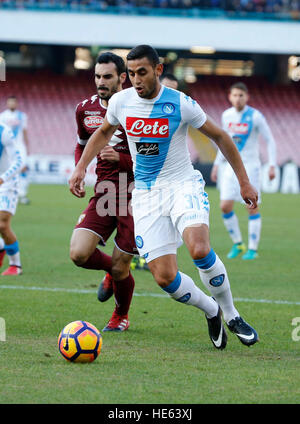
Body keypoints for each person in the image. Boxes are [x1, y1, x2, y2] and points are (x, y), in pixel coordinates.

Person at [69, 45, 259, 349]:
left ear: (157, 70)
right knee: (164, 278)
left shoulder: (181, 103)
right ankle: (211, 310)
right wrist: (80, 168)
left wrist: (245, 183)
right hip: (145, 196)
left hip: (183, 185)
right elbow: (102, 133)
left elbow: (221, 136)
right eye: (131, 74)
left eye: (141, 72)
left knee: (199, 249)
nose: (136, 79)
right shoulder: (121, 101)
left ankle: (232, 313)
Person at [70, 52, 138, 332]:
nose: (101, 82)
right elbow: (81, 144)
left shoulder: (139, 107)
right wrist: (79, 169)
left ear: (122, 78)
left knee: (124, 268)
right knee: (79, 254)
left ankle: (120, 315)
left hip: (137, 196)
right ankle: (112, 271)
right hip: (105, 193)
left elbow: (158, 155)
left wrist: (121, 160)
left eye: (107, 76)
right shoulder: (85, 109)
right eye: (97, 76)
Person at [210, 82, 277, 260]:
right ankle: (238, 244)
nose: (238, 98)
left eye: (241, 95)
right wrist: (217, 164)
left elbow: (270, 140)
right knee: (225, 206)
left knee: (251, 207)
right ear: (229, 97)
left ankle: (253, 249)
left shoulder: (255, 116)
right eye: (235, 95)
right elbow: (222, 142)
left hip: (250, 167)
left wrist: (272, 164)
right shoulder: (226, 116)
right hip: (229, 168)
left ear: (247, 97)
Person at [0, 123, 24, 275]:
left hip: (7, 182)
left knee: (2, 224)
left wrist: (2, 178)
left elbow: (19, 161)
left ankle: (16, 265)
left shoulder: (4, 131)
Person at [0, 96, 31, 205]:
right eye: (10, 102)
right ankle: (7, 193)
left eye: (13, 102)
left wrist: (27, 146)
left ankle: (22, 194)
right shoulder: (2, 116)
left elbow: (25, 131)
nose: (11, 104)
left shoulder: (22, 116)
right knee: (7, 169)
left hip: (19, 146)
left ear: (16, 104)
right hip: (6, 147)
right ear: (7, 103)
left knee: (23, 169)